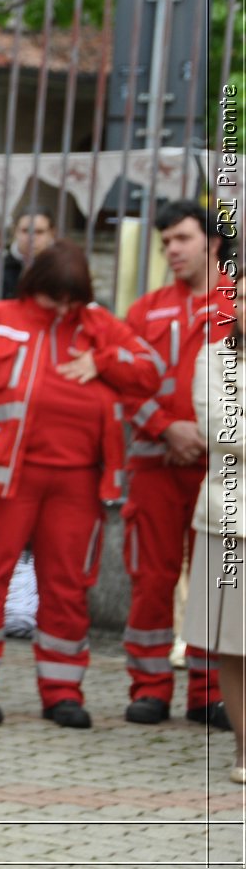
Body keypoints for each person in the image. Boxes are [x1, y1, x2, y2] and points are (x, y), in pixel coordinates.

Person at [0, 242, 160, 728]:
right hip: (2, 480)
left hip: (78, 484)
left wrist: (102, 360)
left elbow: (150, 371)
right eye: (53, 299)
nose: (62, 309)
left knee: (68, 588)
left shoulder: (96, 324)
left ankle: (63, 693)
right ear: (33, 285)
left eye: (71, 300)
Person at [120, 200, 234, 728]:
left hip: (222, 469)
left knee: (216, 581)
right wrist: (166, 427)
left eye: (182, 238)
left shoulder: (235, 306)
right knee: (152, 578)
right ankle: (148, 687)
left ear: (213, 242)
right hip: (155, 464)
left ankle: (209, 692)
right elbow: (123, 386)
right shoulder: (143, 311)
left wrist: (207, 437)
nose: (172, 250)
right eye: (166, 241)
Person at [181, 267, 245, 782]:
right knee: (235, 643)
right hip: (230, 520)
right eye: (241, 298)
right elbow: (221, 429)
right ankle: (245, 749)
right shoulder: (214, 357)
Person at [0, 208, 55, 309]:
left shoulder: (60, 269)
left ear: (51, 233)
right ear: (15, 231)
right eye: (25, 231)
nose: (32, 237)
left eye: (39, 232)